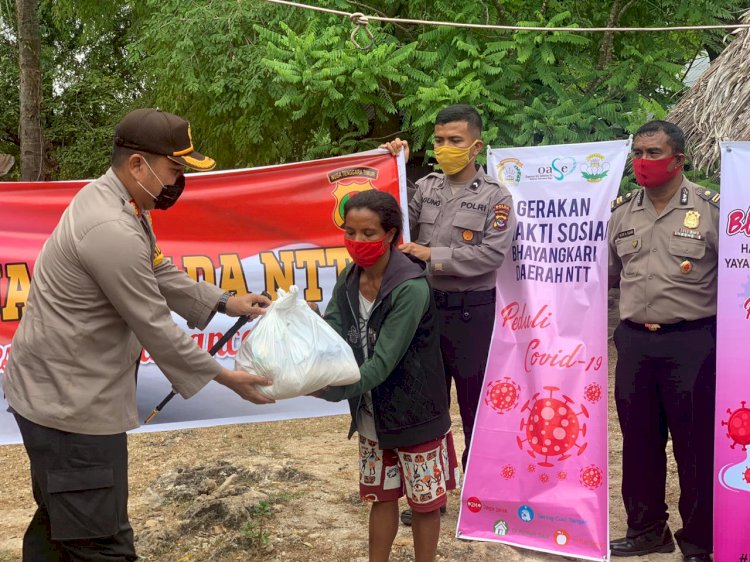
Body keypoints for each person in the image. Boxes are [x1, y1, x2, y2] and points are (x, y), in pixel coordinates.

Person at [2, 108, 274, 561]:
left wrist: (225, 302)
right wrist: (227, 378)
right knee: (102, 540)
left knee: (62, 524)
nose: (177, 182)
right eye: (174, 170)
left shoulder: (117, 203)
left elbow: (156, 269)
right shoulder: (111, 227)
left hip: (53, 396)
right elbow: (153, 322)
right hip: (71, 409)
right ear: (137, 165)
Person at [381, 104, 515, 525]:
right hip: (426, 311)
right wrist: (394, 168)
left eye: (455, 141)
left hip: (471, 312)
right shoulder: (426, 187)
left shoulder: (496, 196)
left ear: (476, 145)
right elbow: (398, 221)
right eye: (439, 141)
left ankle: (481, 499)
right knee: (430, 407)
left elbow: (491, 255)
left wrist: (431, 255)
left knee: (477, 408)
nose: (445, 148)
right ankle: (432, 494)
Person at [313, 189, 458, 562]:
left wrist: (329, 392)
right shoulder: (348, 278)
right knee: (382, 496)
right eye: (350, 232)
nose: (357, 242)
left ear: (391, 235)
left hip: (416, 411)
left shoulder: (409, 287)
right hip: (372, 410)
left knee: (424, 504)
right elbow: (330, 332)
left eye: (368, 233)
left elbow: (382, 361)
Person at [608, 120, 718, 562]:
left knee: (695, 446)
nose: (643, 162)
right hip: (635, 344)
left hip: (692, 344)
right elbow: (608, 278)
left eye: (654, 153)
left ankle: (699, 540)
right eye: (638, 153)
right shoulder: (620, 212)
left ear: (679, 159)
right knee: (637, 443)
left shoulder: (712, 211)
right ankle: (646, 529)